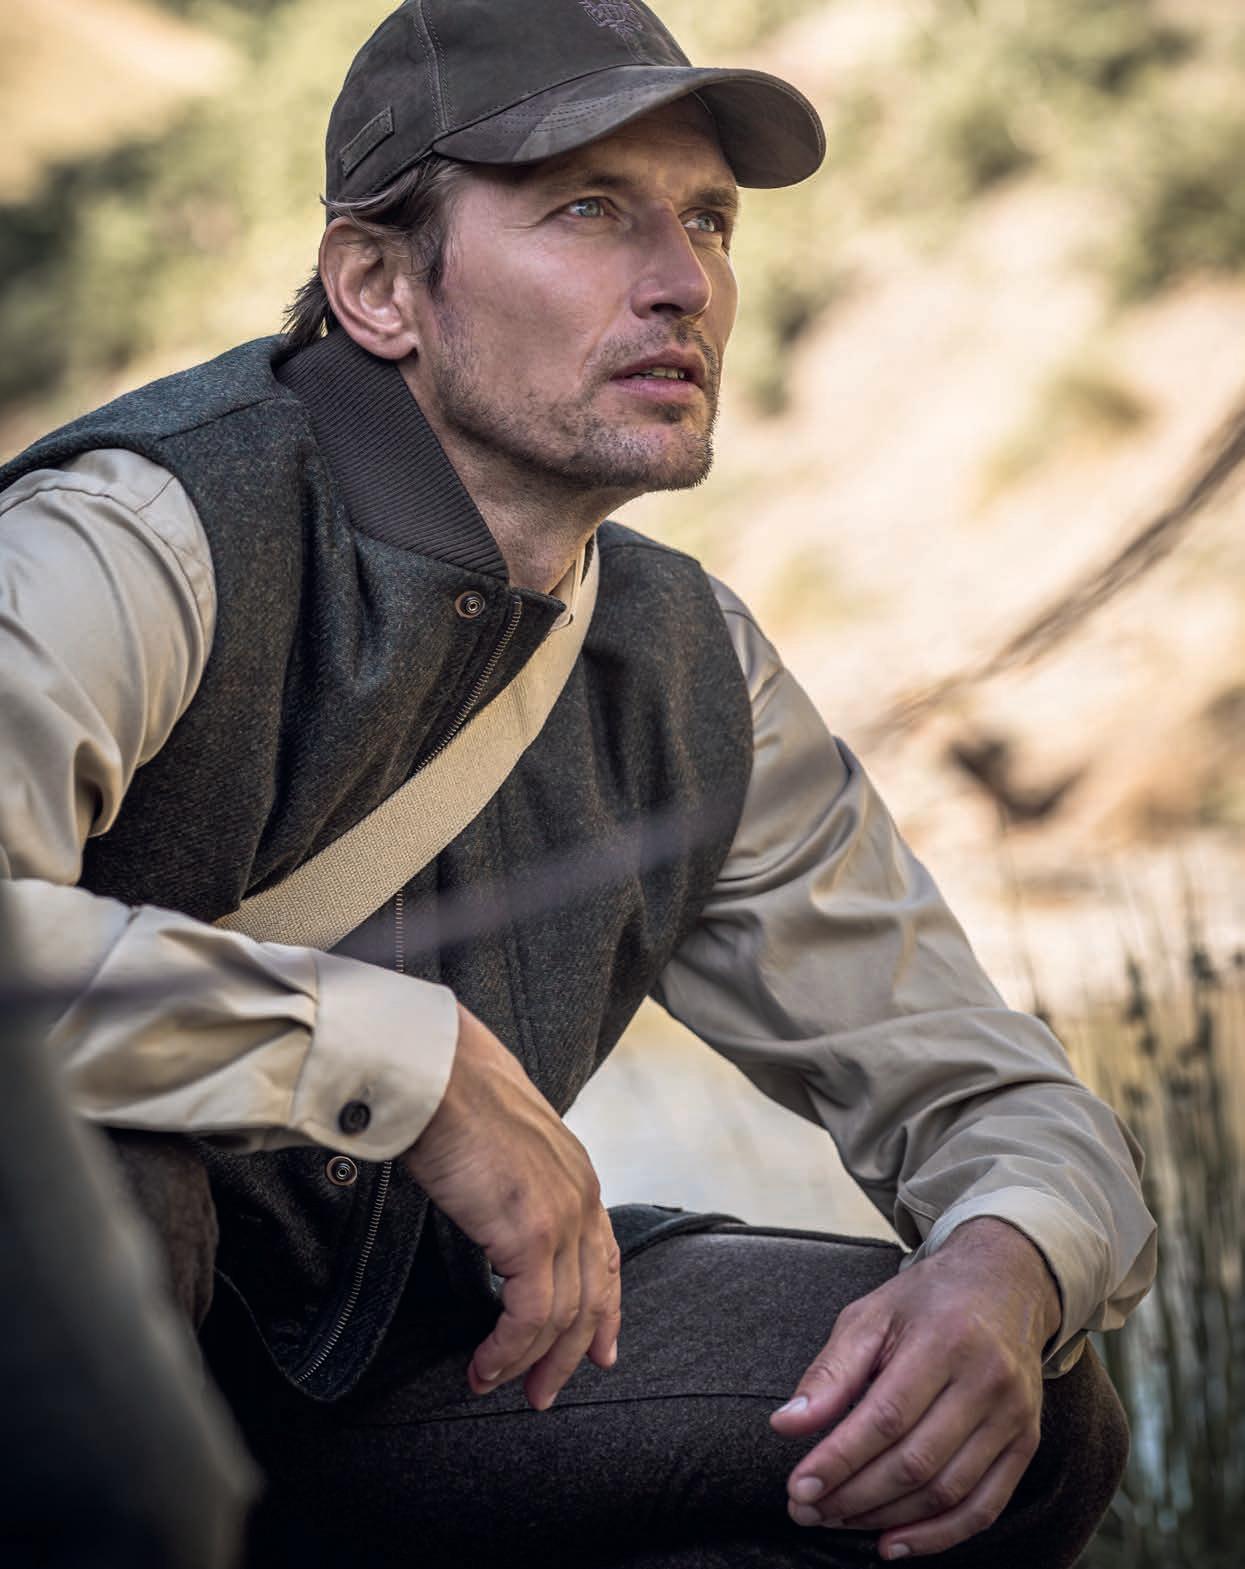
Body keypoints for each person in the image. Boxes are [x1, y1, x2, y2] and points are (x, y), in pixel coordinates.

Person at [0, 2, 1155, 1565]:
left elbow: (985, 1090)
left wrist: (1008, 1262)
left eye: (707, 219)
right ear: (379, 286)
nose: (683, 281)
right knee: (106, 1184)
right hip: (78, 1394)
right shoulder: (140, 535)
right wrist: (401, 1061)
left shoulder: (688, 667)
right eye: (590, 210)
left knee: (991, 1417)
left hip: (427, 1382)